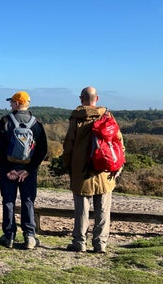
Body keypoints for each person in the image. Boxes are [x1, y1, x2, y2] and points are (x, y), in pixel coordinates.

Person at [61, 86, 125, 253]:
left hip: (81, 169)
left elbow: (69, 144)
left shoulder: (76, 118)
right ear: (97, 98)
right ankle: (100, 244)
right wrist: (118, 165)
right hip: (104, 169)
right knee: (103, 209)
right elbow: (118, 141)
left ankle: (79, 242)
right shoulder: (107, 116)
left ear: (81, 99)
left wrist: (67, 165)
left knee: (81, 209)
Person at [0, 91, 48, 249]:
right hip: (28, 171)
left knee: (9, 201)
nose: (10, 104)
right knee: (28, 201)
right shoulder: (36, 124)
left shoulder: (5, 121)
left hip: (8, 170)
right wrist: (29, 170)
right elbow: (42, 150)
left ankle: (9, 236)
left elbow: (1, 148)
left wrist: (9, 169)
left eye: (12, 102)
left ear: (17, 103)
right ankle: (30, 236)